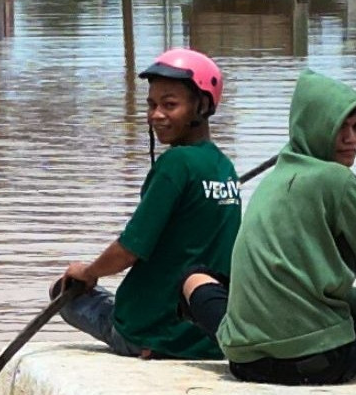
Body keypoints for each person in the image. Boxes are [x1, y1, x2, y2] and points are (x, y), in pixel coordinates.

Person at [184, 68, 356, 386]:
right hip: (314, 364)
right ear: (315, 129)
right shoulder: (335, 180)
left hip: (246, 363)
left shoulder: (273, 181)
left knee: (193, 278)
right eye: (340, 128)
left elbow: (318, 286)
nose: (352, 139)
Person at [56, 48, 242, 360]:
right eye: (152, 105)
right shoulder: (225, 168)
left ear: (202, 105)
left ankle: (135, 334)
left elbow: (129, 250)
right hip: (207, 336)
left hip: (154, 335)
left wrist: (88, 272)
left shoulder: (175, 165)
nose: (156, 115)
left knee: (65, 293)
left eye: (170, 105)